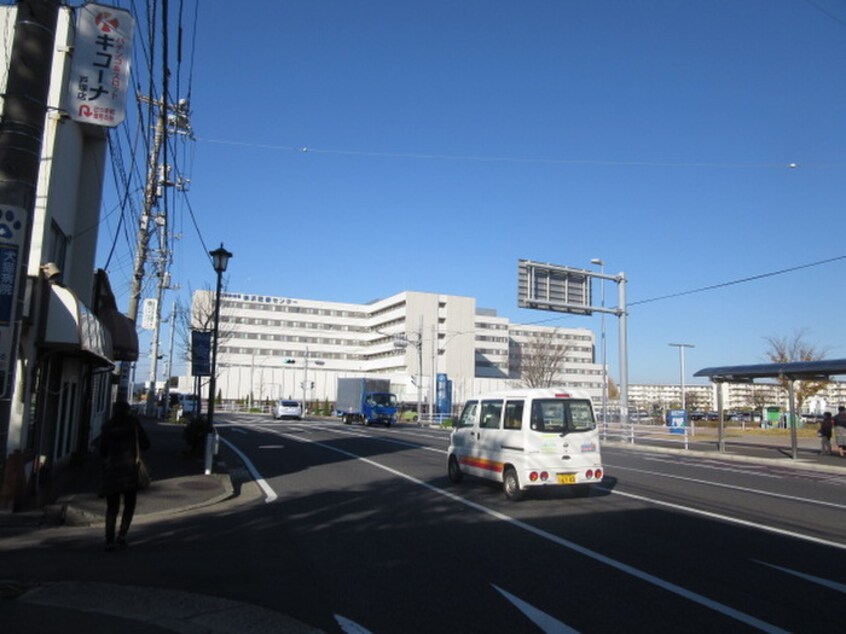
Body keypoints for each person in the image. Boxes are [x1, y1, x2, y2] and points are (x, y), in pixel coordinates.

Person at [100, 401, 150, 550]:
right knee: (129, 505)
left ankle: (109, 540)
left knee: (112, 508)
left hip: (112, 471)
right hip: (129, 470)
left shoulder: (107, 426)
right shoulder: (133, 425)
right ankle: (122, 535)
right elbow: (146, 444)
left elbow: (102, 450)